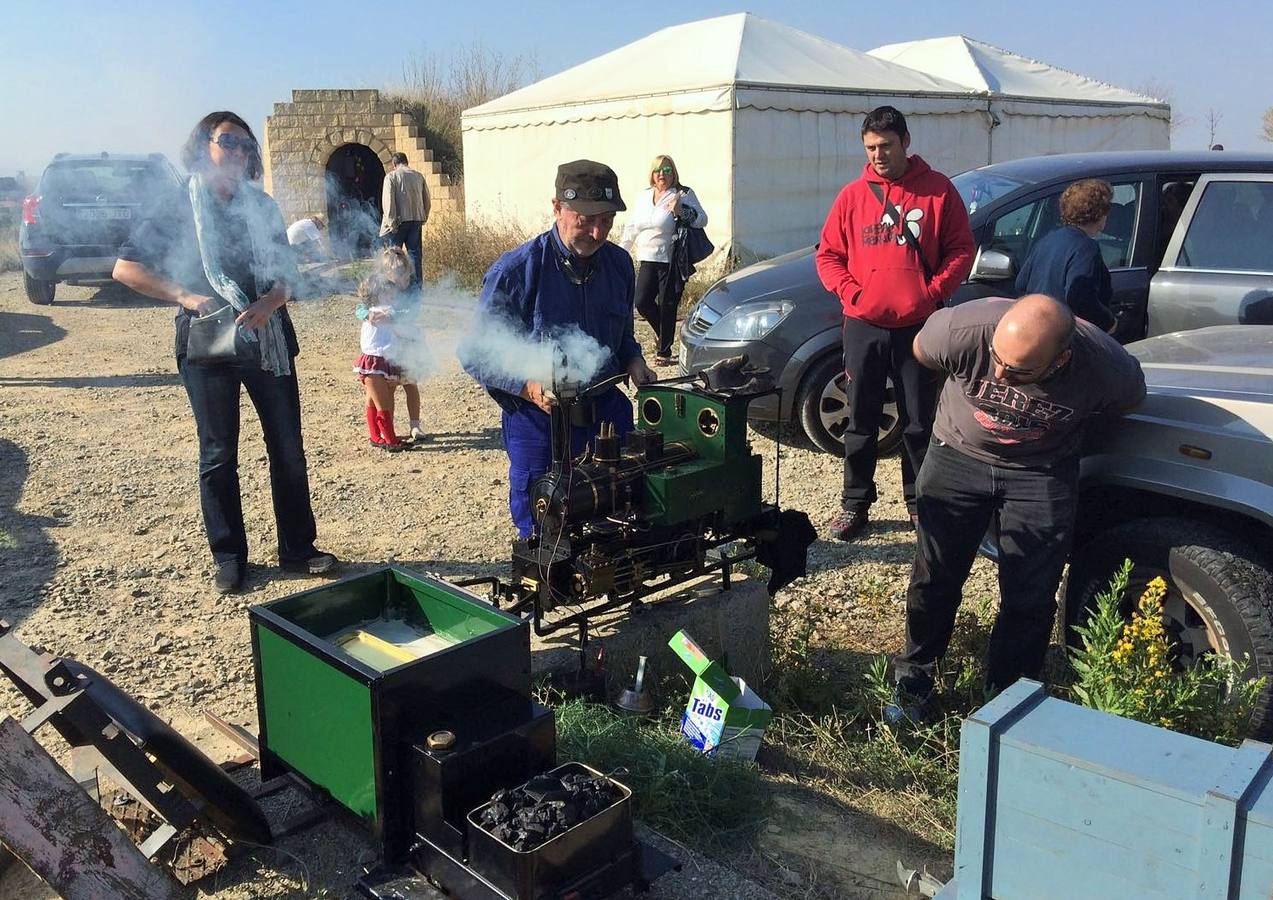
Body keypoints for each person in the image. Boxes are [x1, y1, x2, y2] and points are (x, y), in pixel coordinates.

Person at [888, 294, 1146, 724]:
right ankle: (915, 678)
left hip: (1041, 471)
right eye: (998, 360)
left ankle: (1007, 699)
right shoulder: (963, 330)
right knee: (936, 572)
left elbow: (1129, 401)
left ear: (1060, 359)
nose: (1001, 374)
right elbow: (920, 351)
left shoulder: (1105, 366)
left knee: (1031, 591)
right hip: (957, 455)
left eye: (1020, 371)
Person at [112, 111, 339, 595]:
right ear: (203, 146)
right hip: (207, 341)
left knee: (288, 447)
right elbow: (125, 269)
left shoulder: (262, 207)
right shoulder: (178, 206)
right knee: (218, 454)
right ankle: (231, 557)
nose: (238, 153)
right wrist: (186, 296)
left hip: (268, 339)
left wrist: (270, 301)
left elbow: (286, 274)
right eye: (228, 142)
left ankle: (298, 549)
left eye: (245, 147)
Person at [462, 160, 656, 537]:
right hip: (539, 420)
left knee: (618, 510)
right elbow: (475, 352)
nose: (597, 232)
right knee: (543, 523)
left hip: (605, 411)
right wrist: (527, 386)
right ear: (556, 207)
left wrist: (634, 360)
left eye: (606, 220)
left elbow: (622, 336)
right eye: (585, 221)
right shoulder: (516, 271)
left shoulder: (619, 265)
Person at [815, 105, 975, 542]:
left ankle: (920, 501)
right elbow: (827, 255)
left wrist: (932, 292)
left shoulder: (939, 191)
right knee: (860, 417)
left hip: (919, 325)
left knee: (919, 420)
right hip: (864, 324)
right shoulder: (852, 196)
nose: (878, 156)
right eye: (870, 148)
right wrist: (852, 293)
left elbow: (962, 249)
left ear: (906, 141)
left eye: (885, 146)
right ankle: (855, 502)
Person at [618, 154, 709, 366]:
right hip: (647, 257)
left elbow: (702, 219)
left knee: (668, 304)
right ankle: (664, 333)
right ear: (652, 174)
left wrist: (681, 211)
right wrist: (622, 252)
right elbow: (632, 226)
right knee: (642, 302)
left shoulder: (682, 193)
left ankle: (664, 351)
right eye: (658, 170)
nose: (662, 175)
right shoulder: (644, 196)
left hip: (670, 258)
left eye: (667, 170)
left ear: (674, 173)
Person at [1014, 179, 1116, 333]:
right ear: (1100, 215)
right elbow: (1080, 297)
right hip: (1065, 333)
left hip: (1036, 327)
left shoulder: (1047, 240)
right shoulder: (1086, 248)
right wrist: (1109, 321)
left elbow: (1021, 284)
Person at [354, 246, 426, 450]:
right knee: (383, 393)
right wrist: (367, 315)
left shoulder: (410, 292)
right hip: (383, 353)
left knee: (410, 384)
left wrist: (395, 316)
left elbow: (409, 314)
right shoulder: (379, 290)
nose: (404, 280)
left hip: (404, 347)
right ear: (387, 275)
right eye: (399, 276)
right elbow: (361, 308)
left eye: (406, 276)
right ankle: (385, 433)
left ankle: (413, 425)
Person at [379, 152, 430, 286]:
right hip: (416, 220)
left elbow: (388, 202)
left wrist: (391, 223)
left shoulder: (391, 177)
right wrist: (424, 217)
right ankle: (416, 289)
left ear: (394, 164)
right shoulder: (419, 176)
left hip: (398, 222)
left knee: (394, 259)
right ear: (406, 162)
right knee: (415, 257)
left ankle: (395, 289)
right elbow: (427, 200)